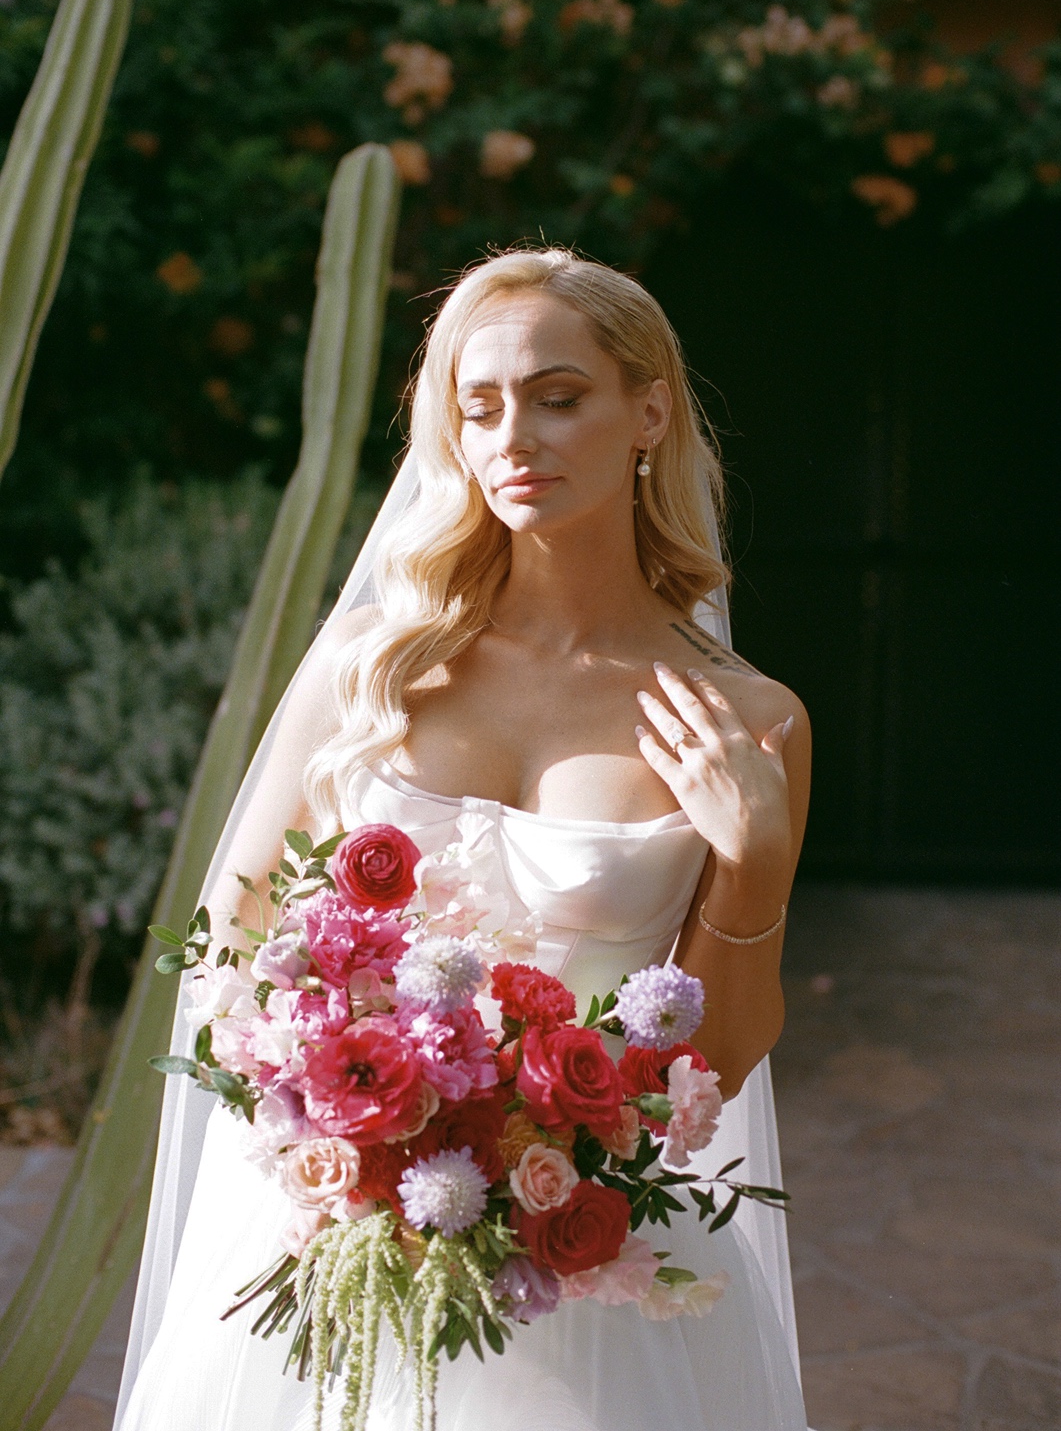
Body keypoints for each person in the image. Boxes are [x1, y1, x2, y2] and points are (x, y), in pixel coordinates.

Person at [115, 247, 811, 1431]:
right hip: (332, 1224)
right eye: (477, 405)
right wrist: (346, 1129)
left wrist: (752, 857)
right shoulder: (373, 669)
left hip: (585, 1250)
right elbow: (229, 947)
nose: (512, 436)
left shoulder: (747, 719)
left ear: (646, 411)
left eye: (557, 395)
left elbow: (722, 1058)